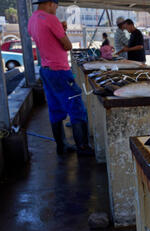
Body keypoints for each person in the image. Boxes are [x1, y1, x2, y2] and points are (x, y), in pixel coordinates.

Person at [28, 0, 93, 156]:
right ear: (50, 3)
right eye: (56, 6)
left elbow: (46, 38)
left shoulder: (33, 19)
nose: (56, 9)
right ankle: (83, 147)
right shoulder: (51, 19)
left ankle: (61, 146)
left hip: (46, 70)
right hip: (60, 70)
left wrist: (60, 29)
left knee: (55, 109)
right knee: (77, 107)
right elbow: (68, 46)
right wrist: (62, 31)